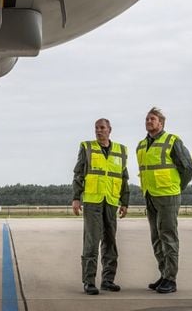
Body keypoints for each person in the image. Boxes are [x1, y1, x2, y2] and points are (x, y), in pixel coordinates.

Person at [136, 107, 192, 294]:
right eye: (146, 119)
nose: (148, 121)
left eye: (152, 119)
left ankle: (171, 279)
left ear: (161, 123)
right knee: (156, 238)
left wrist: (176, 188)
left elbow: (187, 168)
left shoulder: (172, 141)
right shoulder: (141, 145)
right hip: (150, 195)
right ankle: (164, 273)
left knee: (168, 236)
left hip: (167, 195)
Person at [72, 118, 130, 295]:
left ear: (109, 130)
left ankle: (108, 280)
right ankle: (89, 281)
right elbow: (79, 174)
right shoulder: (87, 147)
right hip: (92, 202)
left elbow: (123, 178)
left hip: (111, 201)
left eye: (102, 128)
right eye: (96, 128)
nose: (98, 131)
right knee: (91, 241)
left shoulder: (121, 151)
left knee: (110, 241)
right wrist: (76, 197)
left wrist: (125, 202)